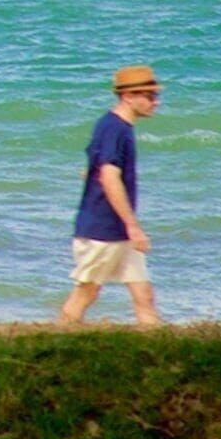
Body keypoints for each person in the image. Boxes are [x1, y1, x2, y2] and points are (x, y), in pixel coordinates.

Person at [59, 66, 163, 327]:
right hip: (103, 229)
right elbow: (108, 176)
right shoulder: (114, 128)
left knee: (144, 295)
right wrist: (133, 226)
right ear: (128, 96)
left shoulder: (115, 127)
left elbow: (93, 167)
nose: (155, 102)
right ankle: (61, 336)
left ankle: (159, 350)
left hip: (116, 230)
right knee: (87, 291)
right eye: (149, 96)